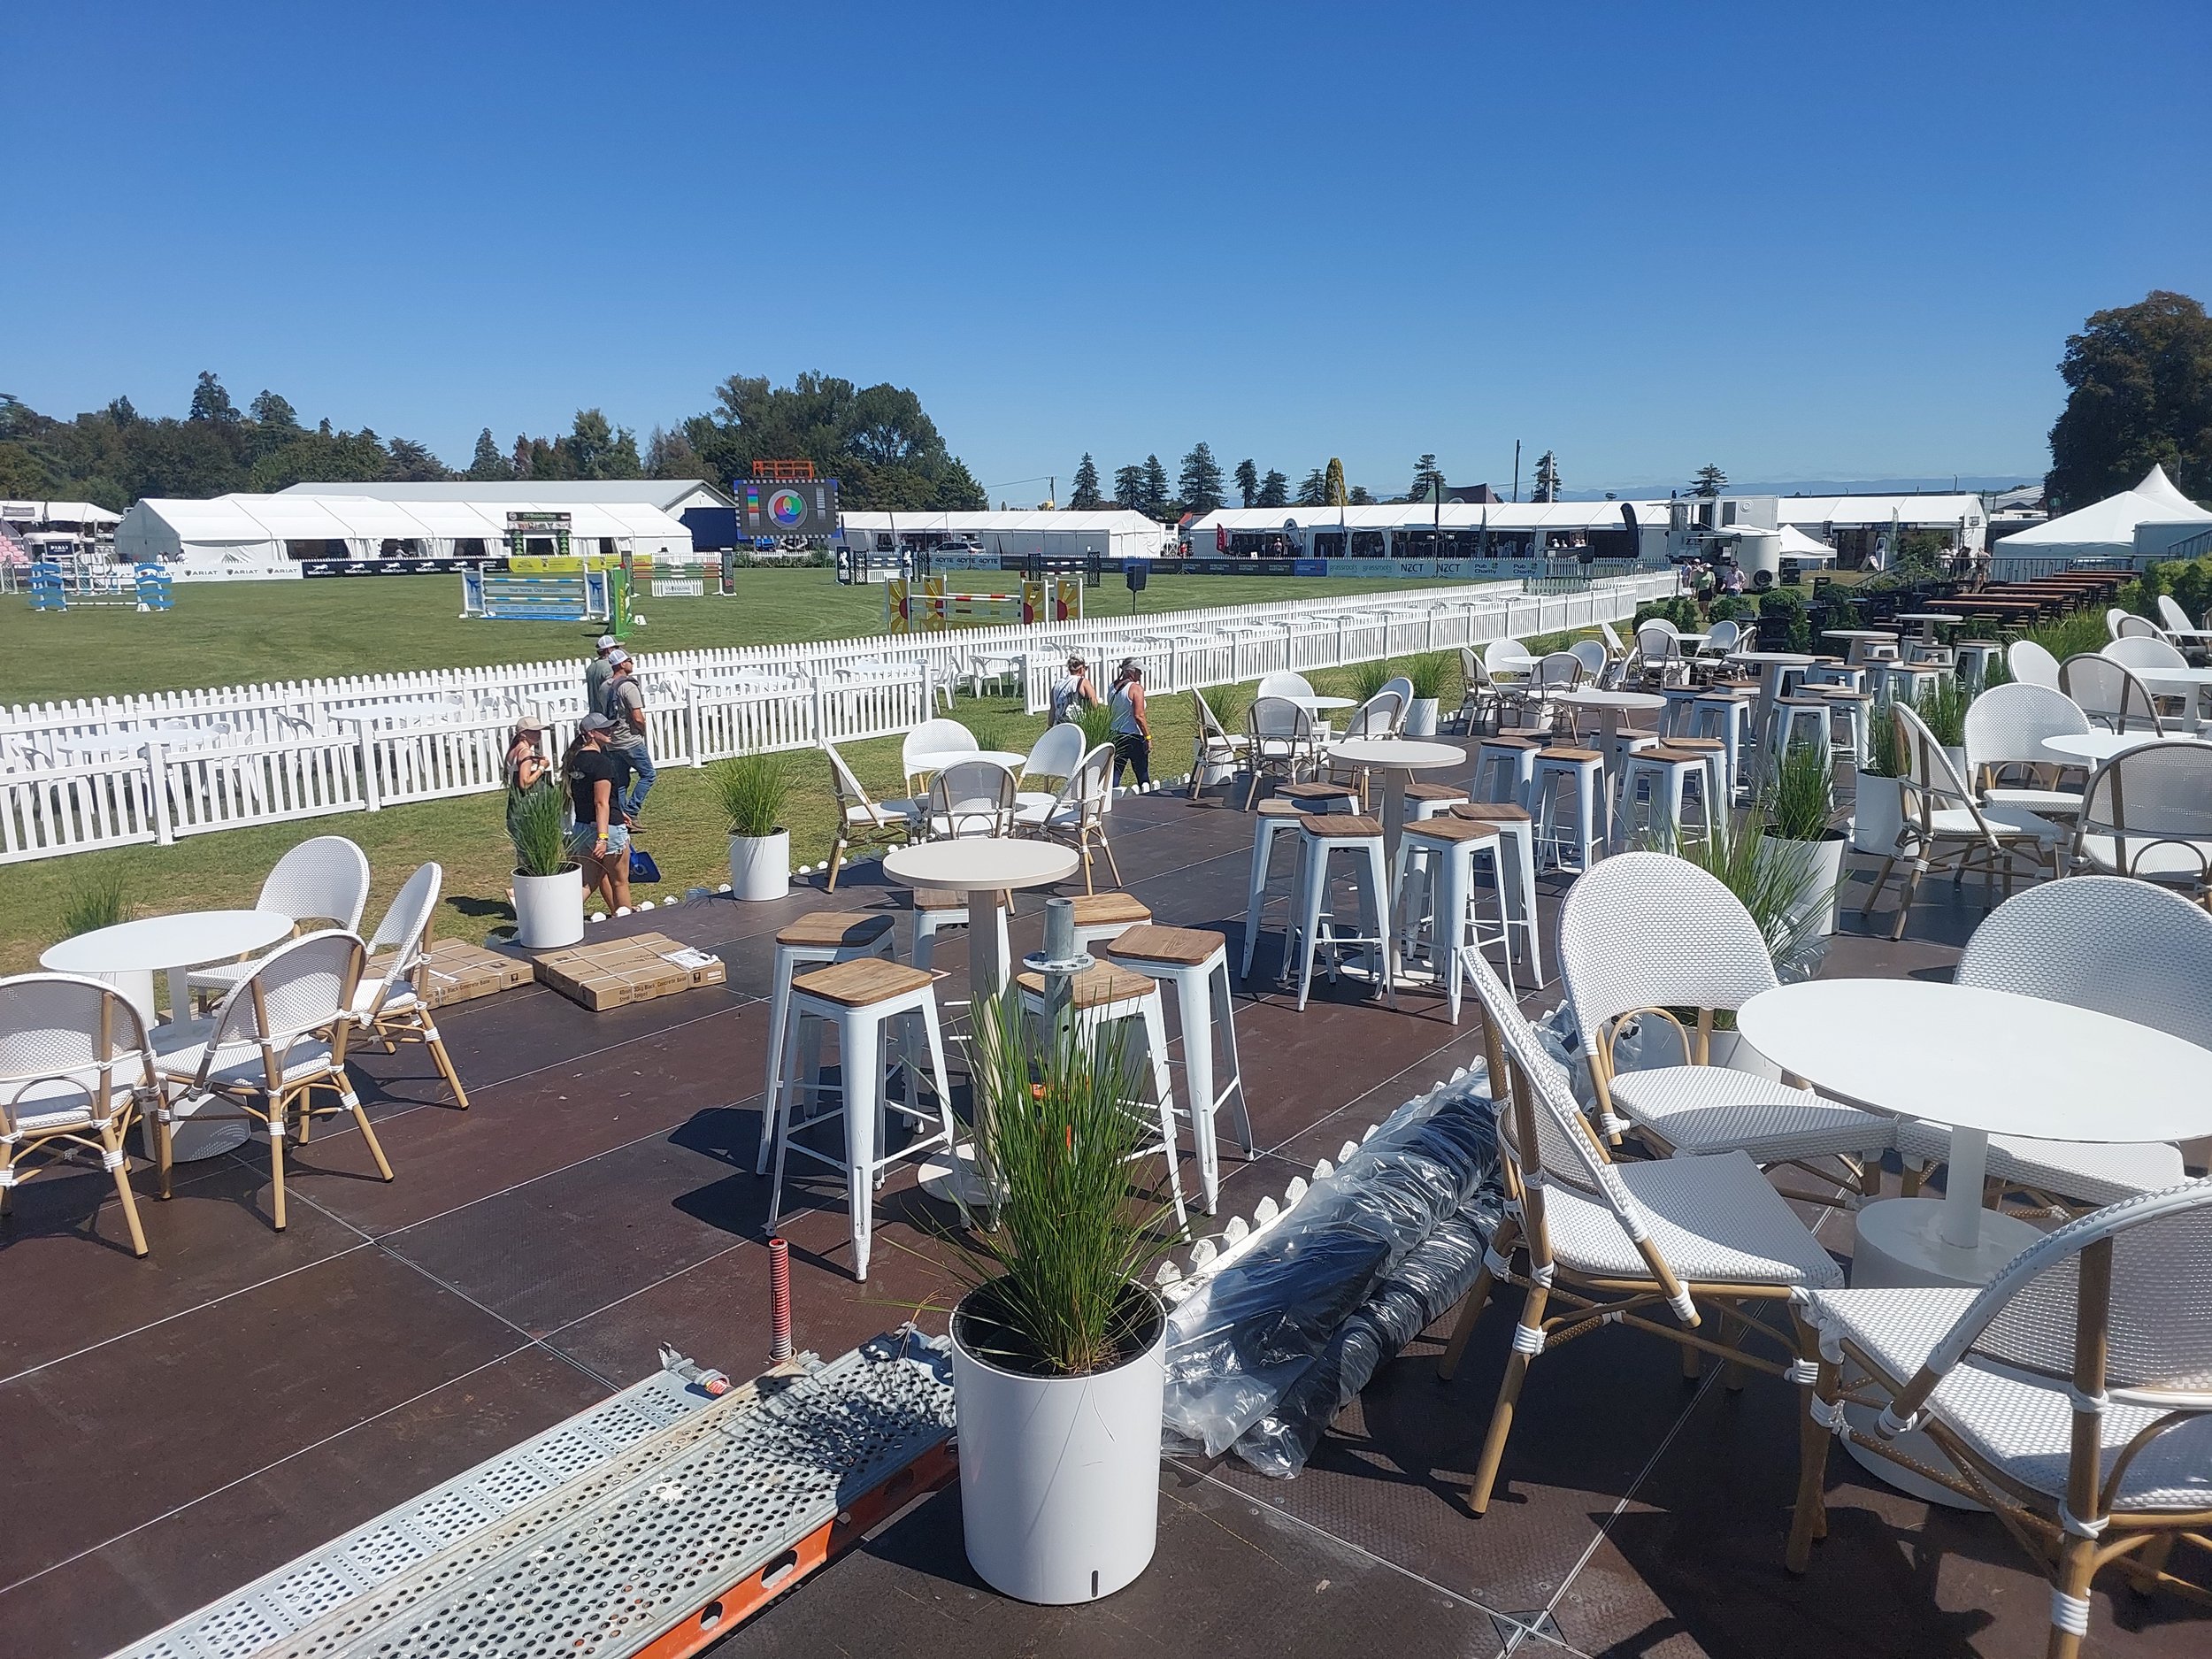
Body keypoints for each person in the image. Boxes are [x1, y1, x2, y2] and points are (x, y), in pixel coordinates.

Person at [565, 713, 632, 911]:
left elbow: (584, 796)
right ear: (591, 733)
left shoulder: (574, 760)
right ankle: (631, 925)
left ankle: (557, 918)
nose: (610, 731)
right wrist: (602, 838)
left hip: (582, 828)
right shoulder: (601, 762)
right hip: (607, 829)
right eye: (604, 729)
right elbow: (601, 802)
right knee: (620, 881)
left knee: (587, 883)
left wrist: (619, 811)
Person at [602, 649, 656, 822]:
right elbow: (637, 717)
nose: (632, 663)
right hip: (630, 740)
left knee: (621, 781)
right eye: (629, 660)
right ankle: (632, 812)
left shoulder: (604, 686)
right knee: (648, 775)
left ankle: (620, 815)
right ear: (622, 664)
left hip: (612, 741)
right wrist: (642, 729)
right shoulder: (629, 686)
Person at [503, 718, 557, 860]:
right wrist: (541, 768)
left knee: (523, 852)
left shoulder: (513, 751)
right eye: (534, 731)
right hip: (526, 808)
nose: (538, 734)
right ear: (523, 734)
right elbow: (524, 783)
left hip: (516, 807)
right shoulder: (525, 752)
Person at [1108, 659, 1149, 787]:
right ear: (1131, 671)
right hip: (1133, 736)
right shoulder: (1136, 689)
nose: (1140, 675)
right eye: (1138, 671)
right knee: (1142, 772)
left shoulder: (1112, 687)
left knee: (1116, 771)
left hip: (1115, 733)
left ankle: (1111, 798)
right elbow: (1139, 716)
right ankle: (1147, 796)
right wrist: (1148, 737)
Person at [1050, 655, 1101, 725]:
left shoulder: (1057, 685)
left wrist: (1050, 726)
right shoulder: (1083, 683)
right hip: (1077, 725)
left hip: (1060, 724)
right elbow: (1094, 705)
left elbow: (1053, 710)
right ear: (1081, 669)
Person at [582, 633, 618, 719]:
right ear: (609, 650)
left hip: (594, 713)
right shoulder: (609, 667)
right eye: (616, 648)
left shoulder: (591, 667)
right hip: (606, 715)